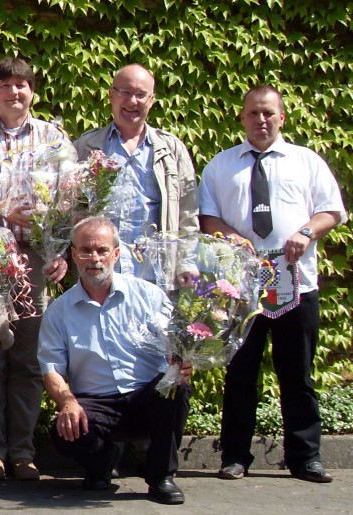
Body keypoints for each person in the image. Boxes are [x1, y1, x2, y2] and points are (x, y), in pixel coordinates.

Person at [198, 85, 346, 484]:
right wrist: (233, 238)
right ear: (242, 117)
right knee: (240, 373)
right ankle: (234, 457)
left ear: (281, 117)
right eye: (253, 114)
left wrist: (305, 231)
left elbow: (332, 211)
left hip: (297, 285)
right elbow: (207, 220)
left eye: (268, 113)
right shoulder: (220, 166)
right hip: (241, 290)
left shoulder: (307, 162)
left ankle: (306, 458)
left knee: (297, 373)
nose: (260, 120)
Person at [0, 56, 68, 482]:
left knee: (26, 358)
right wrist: (1, 208)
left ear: (32, 92)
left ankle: (22, 451)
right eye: (5, 85)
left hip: (34, 261)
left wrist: (60, 252)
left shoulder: (53, 138)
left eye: (22, 86)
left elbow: (69, 202)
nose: (14, 92)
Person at [38, 216, 192, 505]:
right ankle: (102, 459)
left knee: (177, 387)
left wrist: (184, 361)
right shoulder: (59, 312)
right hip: (96, 404)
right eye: (85, 250)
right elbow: (51, 369)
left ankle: (161, 477)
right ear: (73, 255)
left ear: (116, 254)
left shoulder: (148, 295)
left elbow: (177, 344)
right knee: (63, 431)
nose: (94, 258)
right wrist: (68, 403)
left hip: (146, 396)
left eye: (102, 250)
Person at [73, 64, 198, 280]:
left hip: (154, 276)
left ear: (151, 100)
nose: (133, 102)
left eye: (141, 95)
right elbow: (69, 209)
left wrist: (186, 261)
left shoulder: (171, 150)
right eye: (126, 93)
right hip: (100, 276)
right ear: (111, 95)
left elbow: (187, 211)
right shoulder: (87, 146)